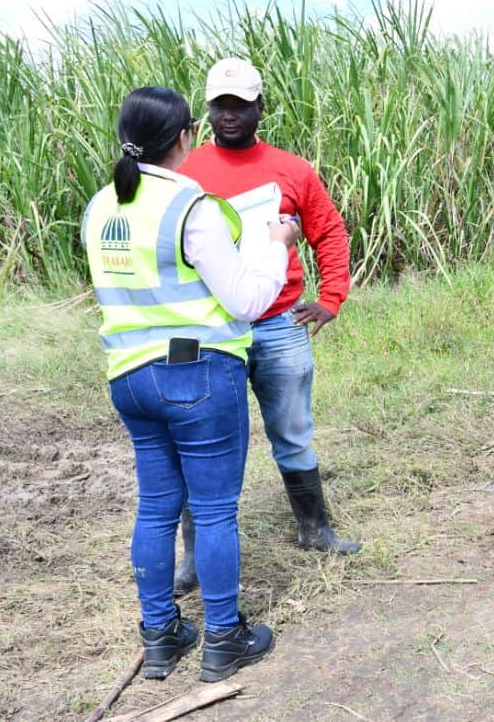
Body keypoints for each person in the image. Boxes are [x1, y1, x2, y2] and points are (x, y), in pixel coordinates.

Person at [82, 87, 299, 681]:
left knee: (155, 508)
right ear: (183, 138)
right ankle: (224, 637)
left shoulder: (100, 206)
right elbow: (248, 301)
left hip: (129, 378)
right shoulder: (191, 206)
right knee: (214, 510)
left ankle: (161, 635)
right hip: (198, 373)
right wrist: (277, 247)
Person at [173, 57, 358, 598]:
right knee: (200, 443)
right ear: (207, 111)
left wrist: (330, 299)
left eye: (239, 105)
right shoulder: (185, 174)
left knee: (293, 430)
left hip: (278, 324)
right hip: (212, 331)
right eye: (218, 106)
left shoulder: (292, 170)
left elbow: (329, 232)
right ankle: (192, 560)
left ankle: (314, 528)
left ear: (258, 108)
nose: (228, 115)